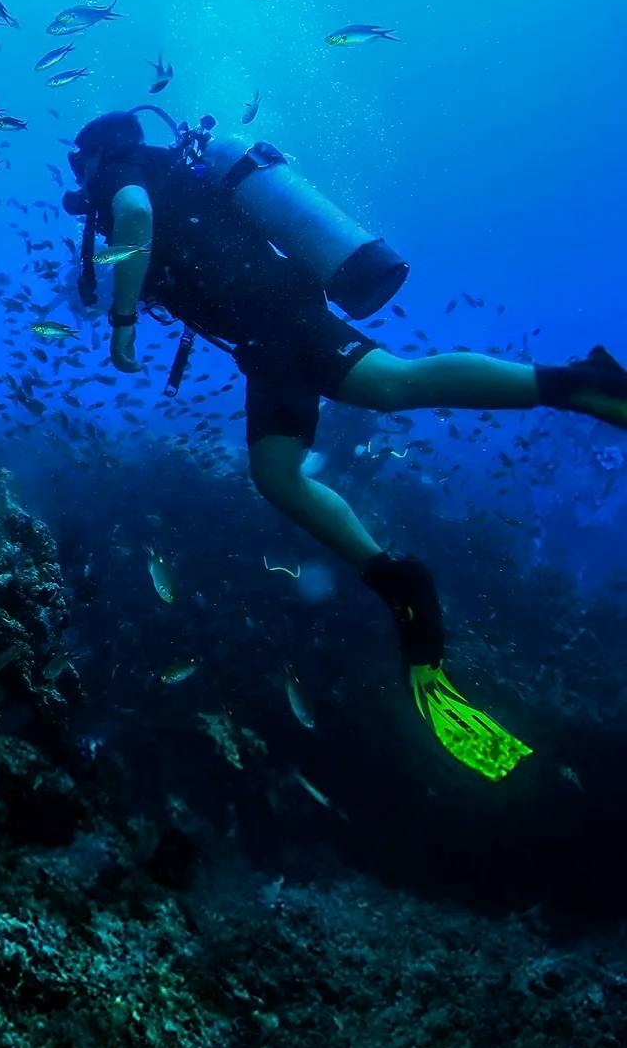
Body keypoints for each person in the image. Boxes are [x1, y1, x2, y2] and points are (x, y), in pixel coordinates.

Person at [65, 108, 627, 777]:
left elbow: (134, 219)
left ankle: (581, 382)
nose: (78, 177)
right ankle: (393, 575)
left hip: (273, 317)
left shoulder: (122, 173)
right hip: (263, 335)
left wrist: (123, 323)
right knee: (277, 473)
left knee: (391, 383)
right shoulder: (171, 170)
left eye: (80, 163)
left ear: (99, 152)